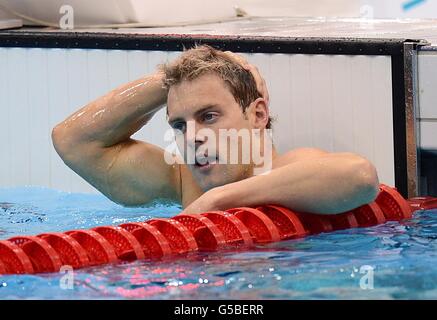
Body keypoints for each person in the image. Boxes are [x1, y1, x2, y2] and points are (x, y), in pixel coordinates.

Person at [52, 45, 379, 215]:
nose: (192, 137)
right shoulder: (181, 183)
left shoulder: (289, 169)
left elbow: (360, 177)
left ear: (258, 115)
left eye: (208, 116)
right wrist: (167, 80)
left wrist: (219, 200)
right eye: (179, 125)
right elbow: (72, 141)